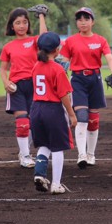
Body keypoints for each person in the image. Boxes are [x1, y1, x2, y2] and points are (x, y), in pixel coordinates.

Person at [59, 6, 112, 168]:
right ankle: (82, 155)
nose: (83, 22)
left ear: (93, 21)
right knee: (82, 116)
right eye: (79, 19)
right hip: (78, 80)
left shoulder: (100, 40)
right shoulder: (70, 41)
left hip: (95, 79)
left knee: (93, 120)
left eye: (86, 19)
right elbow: (62, 62)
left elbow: (109, 58)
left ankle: (91, 154)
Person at [0, 6, 48, 167]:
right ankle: (26, 156)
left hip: (34, 85)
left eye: (24, 22)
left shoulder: (34, 41)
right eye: (18, 22)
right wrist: (6, 83)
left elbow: (44, 38)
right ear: (12, 26)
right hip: (17, 88)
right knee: (22, 123)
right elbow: (3, 69)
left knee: (34, 123)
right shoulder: (8, 47)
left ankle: (23, 150)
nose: (21, 26)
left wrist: (41, 16)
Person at [31, 31, 77, 195]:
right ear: (57, 50)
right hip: (53, 110)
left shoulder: (36, 66)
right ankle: (56, 184)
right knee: (58, 147)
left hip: (36, 109)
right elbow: (63, 94)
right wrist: (71, 114)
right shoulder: (57, 69)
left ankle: (39, 174)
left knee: (44, 145)